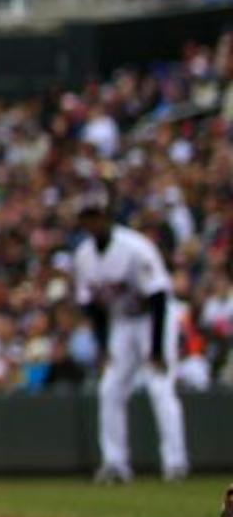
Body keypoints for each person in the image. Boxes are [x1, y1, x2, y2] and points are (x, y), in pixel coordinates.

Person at [73, 198, 188, 483]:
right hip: (121, 323)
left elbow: (159, 296)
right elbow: (91, 307)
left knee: (160, 387)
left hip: (153, 319)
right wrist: (103, 346)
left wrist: (158, 349)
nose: (92, 222)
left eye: (96, 215)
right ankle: (115, 463)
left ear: (107, 217)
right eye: (87, 217)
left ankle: (175, 464)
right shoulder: (84, 255)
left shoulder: (135, 247)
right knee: (109, 388)